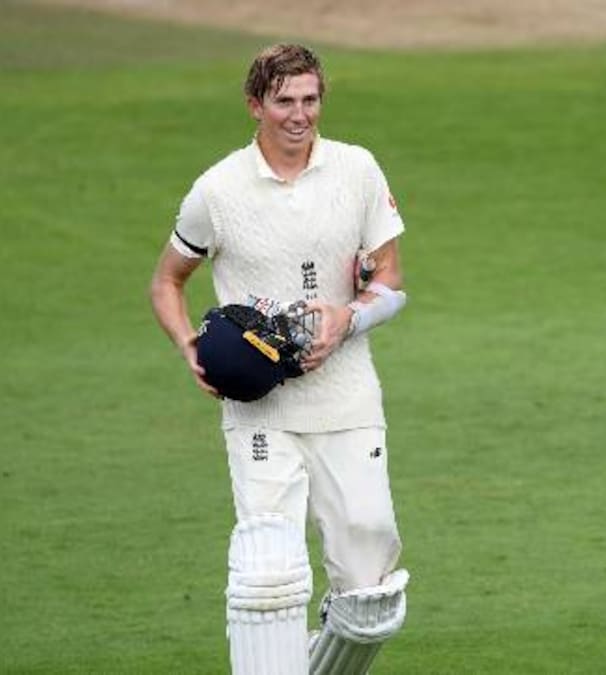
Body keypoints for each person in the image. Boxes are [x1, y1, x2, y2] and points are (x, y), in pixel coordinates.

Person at [149, 43, 410, 674]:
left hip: (348, 400)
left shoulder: (358, 169)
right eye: (285, 101)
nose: (300, 114)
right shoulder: (217, 190)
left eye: (310, 100)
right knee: (268, 575)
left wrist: (350, 316)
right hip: (260, 408)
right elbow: (167, 281)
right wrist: (192, 347)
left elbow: (391, 283)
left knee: (371, 599)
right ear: (255, 105)